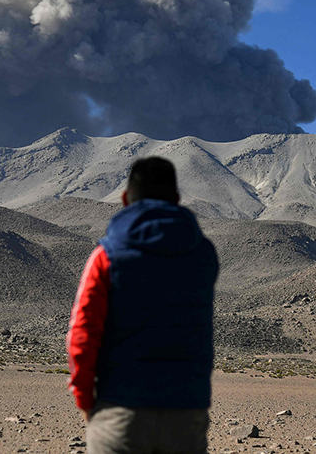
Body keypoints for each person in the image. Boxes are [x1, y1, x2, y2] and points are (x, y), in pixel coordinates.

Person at [66, 156, 219, 454]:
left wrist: (85, 400)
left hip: (122, 408)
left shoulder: (106, 256)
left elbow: (82, 332)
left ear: (125, 199)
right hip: (187, 412)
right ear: (176, 199)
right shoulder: (203, 254)